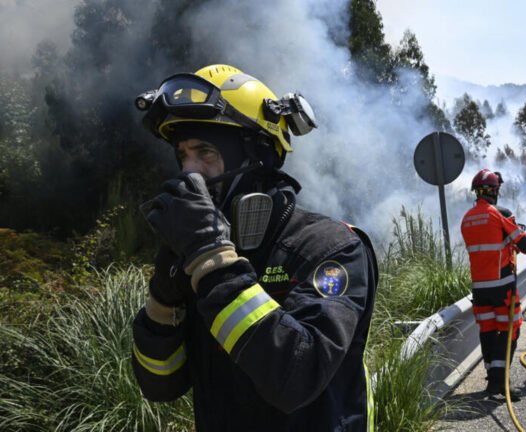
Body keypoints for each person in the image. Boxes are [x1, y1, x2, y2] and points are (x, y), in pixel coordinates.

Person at [130, 64, 378, 431]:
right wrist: (163, 299)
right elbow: (159, 384)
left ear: (258, 158)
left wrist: (212, 259)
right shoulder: (203, 258)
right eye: (183, 156)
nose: (189, 172)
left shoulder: (331, 248)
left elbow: (297, 377)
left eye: (205, 153)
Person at [461, 169, 526, 400]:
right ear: (493, 191)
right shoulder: (498, 214)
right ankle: (500, 382)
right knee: (510, 331)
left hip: (479, 289)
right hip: (502, 287)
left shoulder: (467, 219)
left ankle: (491, 378)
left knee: (488, 332)